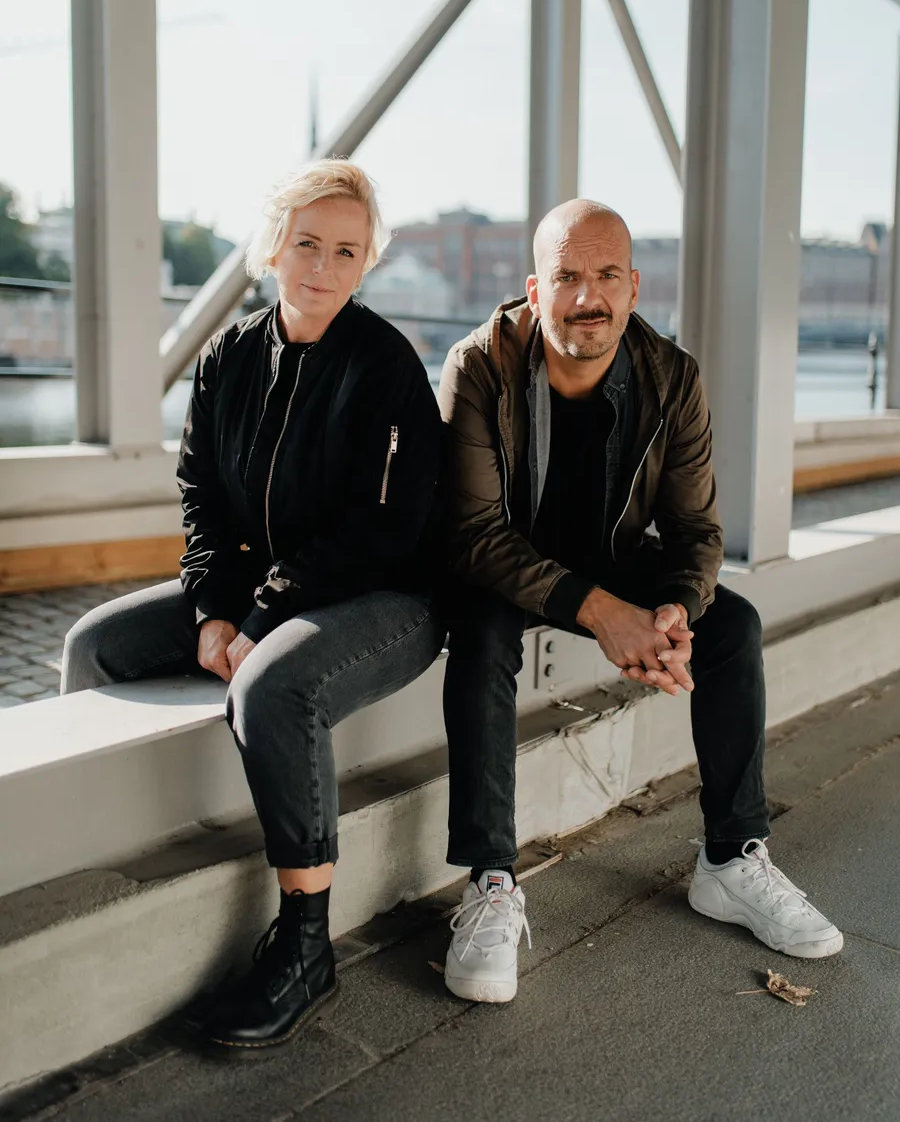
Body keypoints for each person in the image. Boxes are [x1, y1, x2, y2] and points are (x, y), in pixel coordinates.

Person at [61, 161, 445, 1051]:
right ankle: (97, 878)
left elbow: (385, 530)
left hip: (389, 596)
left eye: (345, 251)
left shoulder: (386, 367)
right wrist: (212, 614)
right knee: (95, 647)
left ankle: (307, 944)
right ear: (273, 249)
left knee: (271, 688)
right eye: (306, 242)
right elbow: (201, 498)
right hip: (268, 588)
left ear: (364, 266)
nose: (322, 265)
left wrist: (259, 619)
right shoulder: (230, 356)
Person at [437, 198, 842, 1005]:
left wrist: (674, 614)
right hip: (503, 566)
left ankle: (730, 860)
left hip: (615, 557)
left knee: (735, 625)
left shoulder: (671, 376)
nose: (588, 296)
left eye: (607, 276)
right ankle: (490, 881)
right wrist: (600, 612)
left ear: (632, 286)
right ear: (534, 287)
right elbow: (474, 535)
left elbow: (696, 531)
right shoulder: (479, 364)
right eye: (567, 277)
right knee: (481, 635)